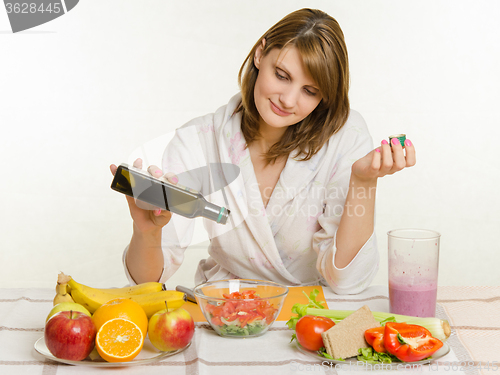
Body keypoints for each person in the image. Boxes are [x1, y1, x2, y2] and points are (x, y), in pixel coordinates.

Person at [110, 8, 415, 294]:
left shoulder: (345, 136)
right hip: (224, 310)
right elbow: (147, 282)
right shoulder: (200, 141)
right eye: (282, 75)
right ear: (260, 53)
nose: (289, 100)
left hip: (307, 316)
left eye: (310, 91)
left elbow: (348, 283)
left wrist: (362, 182)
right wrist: (147, 231)